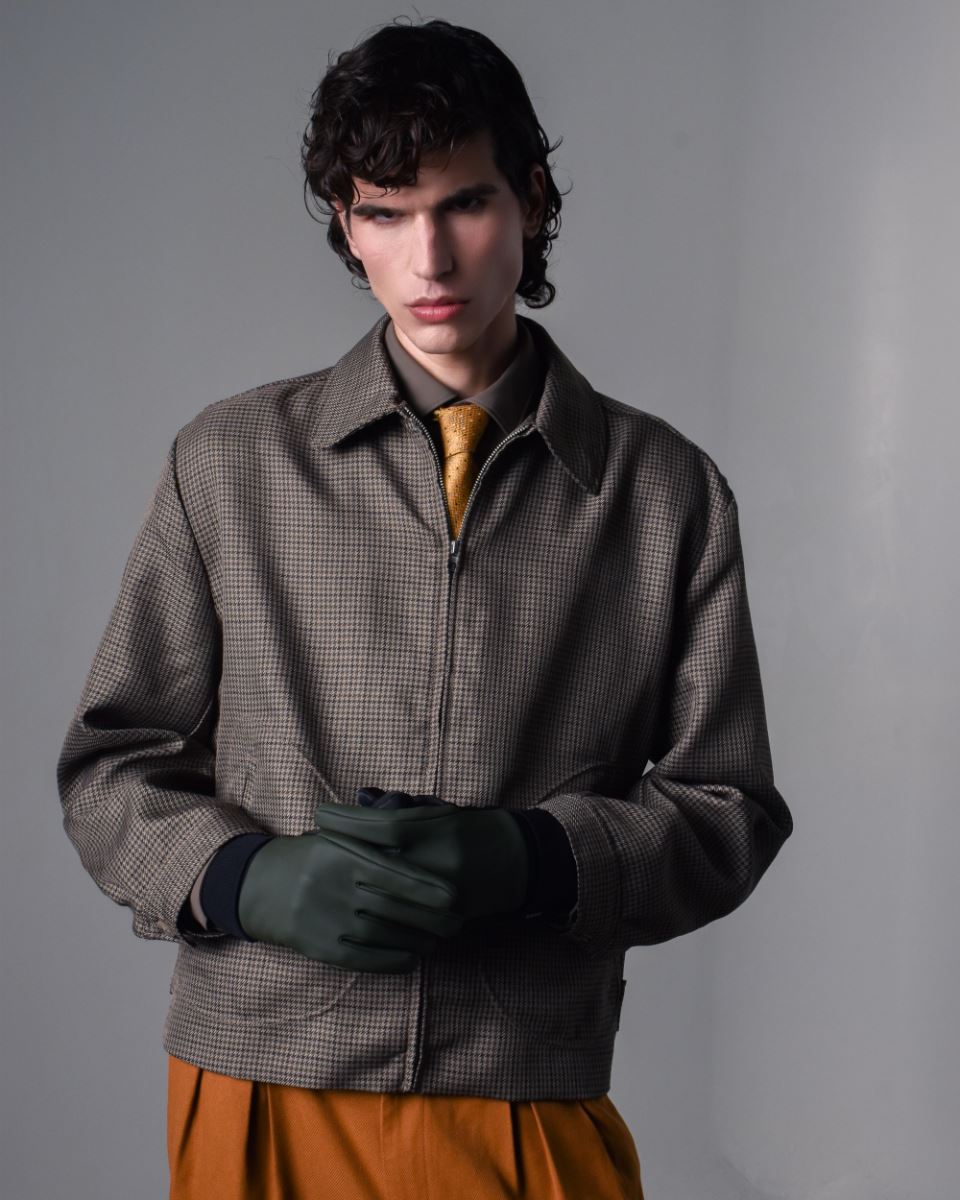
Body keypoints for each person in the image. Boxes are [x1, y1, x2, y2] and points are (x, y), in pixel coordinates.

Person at [56, 16, 794, 1200]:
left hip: (522, 1083)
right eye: (385, 215)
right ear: (346, 225)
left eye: (465, 204)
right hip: (259, 1076)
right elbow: (111, 766)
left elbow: (729, 808)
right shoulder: (230, 462)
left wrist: (535, 860)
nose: (429, 258)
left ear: (532, 198)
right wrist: (246, 879)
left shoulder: (663, 493)